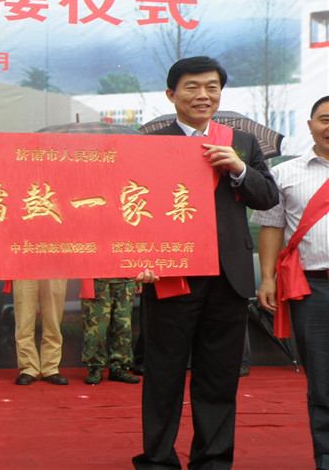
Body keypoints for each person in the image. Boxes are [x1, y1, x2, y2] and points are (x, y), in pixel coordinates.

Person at [132, 56, 278, 470]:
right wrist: (139, 257)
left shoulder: (241, 141)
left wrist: (239, 168)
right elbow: (131, 205)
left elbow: (267, 197)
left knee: (219, 377)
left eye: (212, 87)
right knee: (163, 376)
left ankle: (212, 461)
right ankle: (157, 461)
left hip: (228, 277)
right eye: (192, 87)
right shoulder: (147, 144)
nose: (203, 95)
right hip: (170, 275)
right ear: (171, 94)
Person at [251, 95, 329, 470]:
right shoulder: (285, 173)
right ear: (310, 125)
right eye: (325, 119)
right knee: (322, 380)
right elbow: (272, 227)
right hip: (313, 290)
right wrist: (267, 278)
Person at [80, 278, 141, 385]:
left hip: (125, 279)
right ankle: (95, 368)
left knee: (123, 327)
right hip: (97, 279)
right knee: (97, 329)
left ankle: (119, 367)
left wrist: (138, 280)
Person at [12, 278, 69, 385]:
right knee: (24, 321)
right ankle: (28, 368)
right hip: (24, 269)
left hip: (54, 269)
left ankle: (50, 368)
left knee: (53, 321)